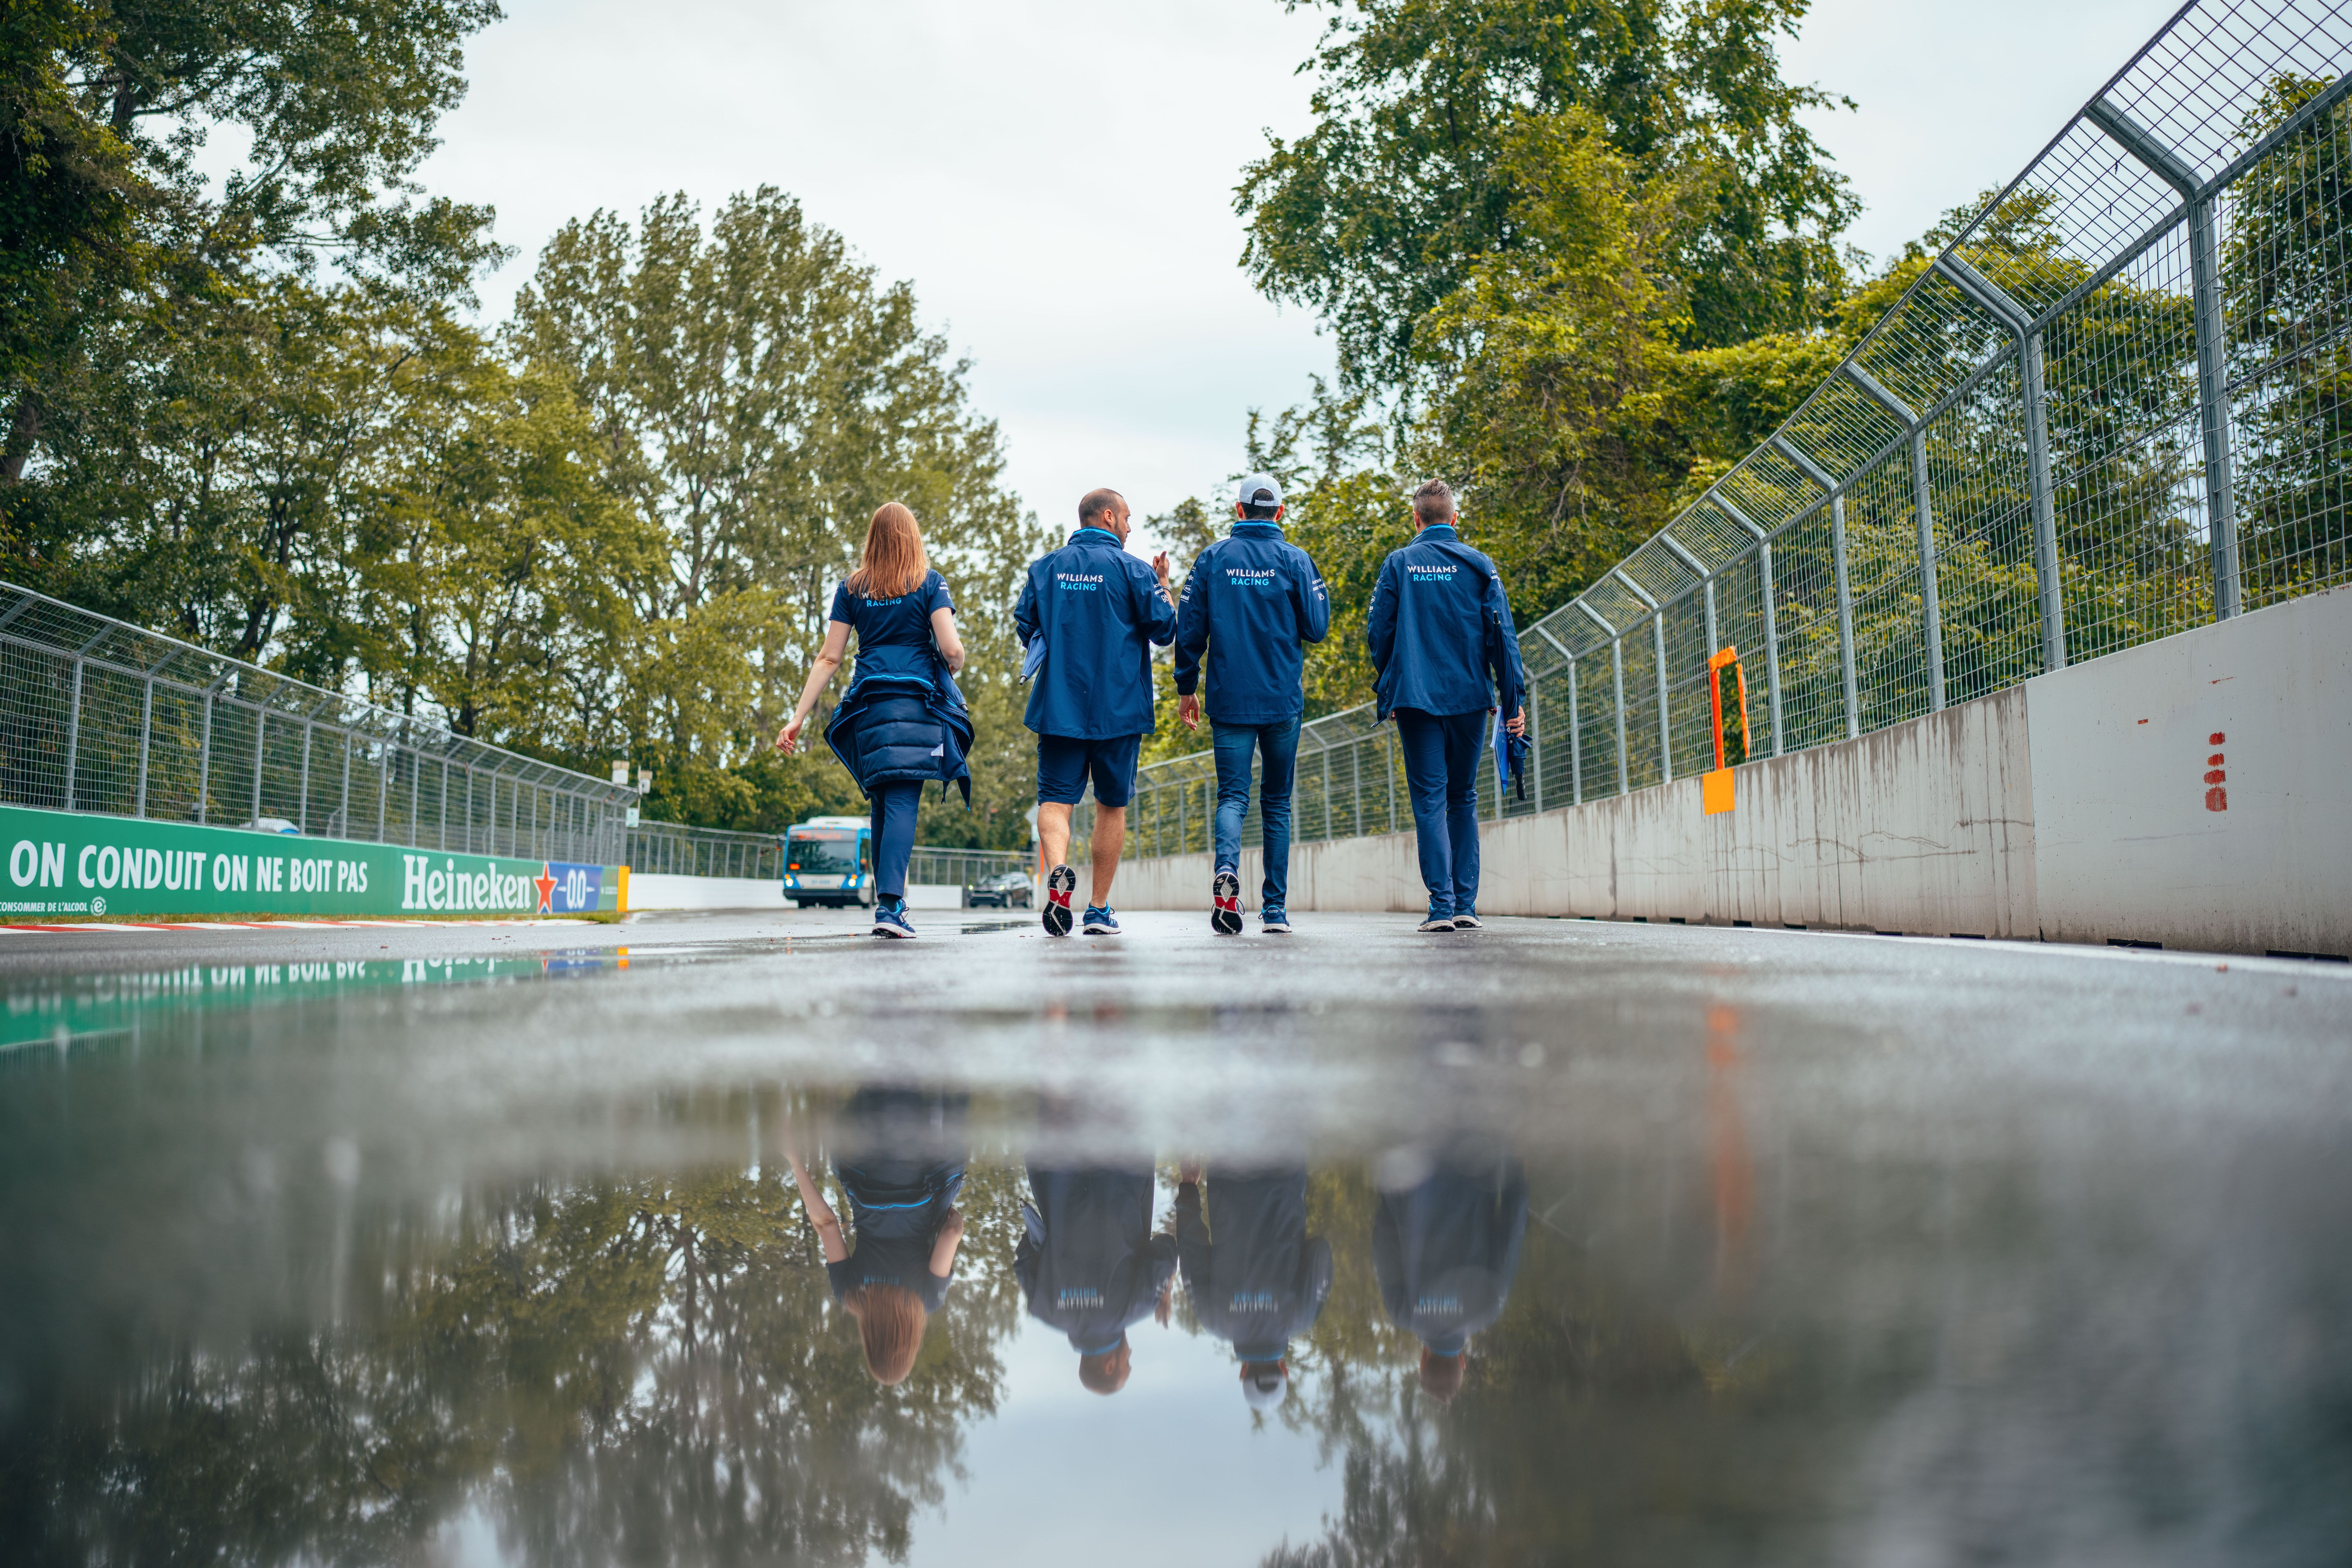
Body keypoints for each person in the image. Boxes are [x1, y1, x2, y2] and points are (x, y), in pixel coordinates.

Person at [775, 502, 972, 938]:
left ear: (874, 538)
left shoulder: (852, 588)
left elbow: (830, 657)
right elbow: (953, 649)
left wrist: (797, 719)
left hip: (869, 708)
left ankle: (889, 905)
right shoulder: (929, 583)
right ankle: (890, 906)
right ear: (912, 537)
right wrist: (949, 665)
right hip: (916, 708)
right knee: (903, 800)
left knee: (883, 801)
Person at [1014, 487, 1178, 937]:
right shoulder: (1134, 570)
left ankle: (1059, 872)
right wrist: (1163, 585)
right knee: (1112, 807)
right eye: (1126, 517)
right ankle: (1099, 909)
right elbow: (1165, 630)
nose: (1130, 526)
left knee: (1054, 802)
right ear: (1107, 517)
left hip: (1060, 706)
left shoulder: (1045, 569)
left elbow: (1026, 627)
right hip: (1119, 709)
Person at [1365, 480, 1528, 933]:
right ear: (1454, 519)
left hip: (1416, 700)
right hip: (1470, 700)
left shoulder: (1399, 563)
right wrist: (1512, 701)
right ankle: (1466, 906)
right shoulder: (1480, 565)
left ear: (1416, 519)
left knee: (1430, 801)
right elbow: (1504, 637)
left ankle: (1441, 907)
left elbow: (1378, 633)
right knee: (1463, 797)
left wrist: (1392, 686)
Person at [1173, 473, 1331, 936]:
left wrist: (1187, 687)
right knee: (1277, 803)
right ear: (1279, 512)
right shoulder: (1296, 560)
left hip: (1230, 699)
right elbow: (1317, 626)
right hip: (1282, 700)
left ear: (1238, 511)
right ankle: (1276, 911)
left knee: (1233, 797)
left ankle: (1227, 875)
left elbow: (1188, 630)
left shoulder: (1213, 559)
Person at [785, 1086, 970, 1386]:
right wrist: (794, 1160)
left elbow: (950, 1234)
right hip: (863, 1170)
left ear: (911, 1344)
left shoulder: (927, 1299)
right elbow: (826, 1223)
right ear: (870, 1342)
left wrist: (952, 1217)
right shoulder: (850, 1294)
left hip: (921, 1171)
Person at [1372, 1147, 1529, 1403]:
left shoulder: (1488, 1310)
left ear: (1463, 1362)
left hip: (1477, 1163)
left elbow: (1511, 1236)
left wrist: (1517, 1177)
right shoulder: (1403, 1313)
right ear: (1423, 1360)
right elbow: (1383, 1242)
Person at [1174, 1160, 1332, 1412]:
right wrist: (1189, 1187)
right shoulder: (1215, 1321)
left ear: (1285, 1370)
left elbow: (1321, 1251)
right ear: (1243, 1372)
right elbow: (1191, 1248)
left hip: (1285, 1175)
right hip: (1228, 1177)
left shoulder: (1301, 1317)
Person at [1016, 1160, 1178, 1394]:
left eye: (1128, 1363)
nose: (1130, 1354)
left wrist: (1165, 1295)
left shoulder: (1136, 1307)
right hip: (1054, 1167)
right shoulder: (1044, 1309)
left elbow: (1167, 1248)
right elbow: (1025, 1251)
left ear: (1110, 1366)